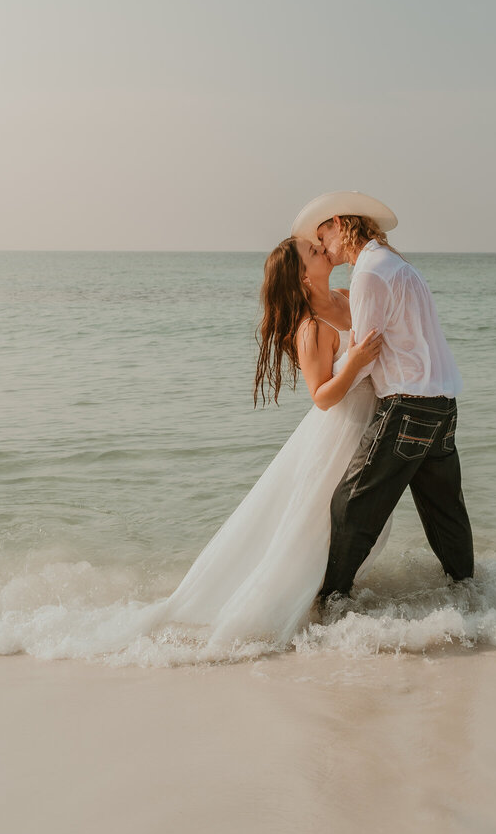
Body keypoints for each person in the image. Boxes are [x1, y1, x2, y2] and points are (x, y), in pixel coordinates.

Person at [137, 230, 389, 650]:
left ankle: (335, 597)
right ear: (303, 276)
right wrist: (356, 362)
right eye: (314, 251)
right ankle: (300, 608)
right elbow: (321, 395)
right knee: (315, 521)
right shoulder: (312, 327)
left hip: (369, 421)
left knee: (347, 518)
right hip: (341, 428)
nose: (324, 249)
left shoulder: (346, 297)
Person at [288, 192, 474, 606]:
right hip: (442, 404)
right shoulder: (399, 265)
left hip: (408, 404)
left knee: (350, 504)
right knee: (444, 510)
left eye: (324, 236)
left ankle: (333, 602)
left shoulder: (369, 273)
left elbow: (365, 356)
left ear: (340, 224)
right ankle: (469, 594)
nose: (325, 248)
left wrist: (325, 386)